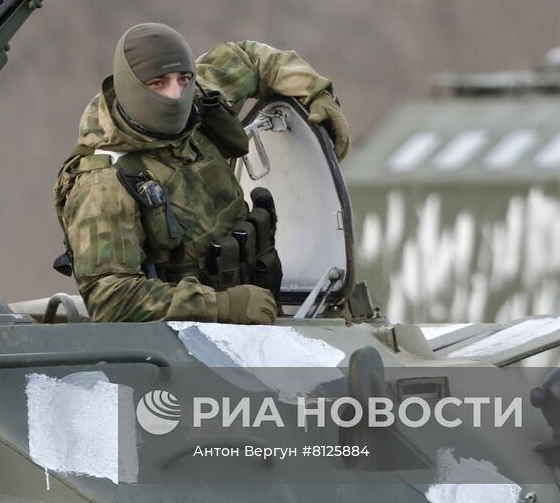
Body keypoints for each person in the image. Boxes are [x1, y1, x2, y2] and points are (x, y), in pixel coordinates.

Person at [53, 23, 349, 324]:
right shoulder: (103, 182)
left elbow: (249, 58)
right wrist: (219, 305)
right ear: (132, 88)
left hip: (254, 327)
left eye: (183, 79)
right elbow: (112, 299)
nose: (175, 94)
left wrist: (315, 92)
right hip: (183, 350)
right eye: (158, 84)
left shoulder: (197, 100)